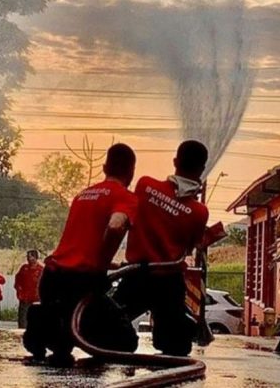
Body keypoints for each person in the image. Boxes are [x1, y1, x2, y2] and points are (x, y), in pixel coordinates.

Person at [23, 143, 138, 361]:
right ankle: (44, 321)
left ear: (104, 168)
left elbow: (78, 246)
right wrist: (102, 265)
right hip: (80, 283)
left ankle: (44, 322)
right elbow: (115, 226)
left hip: (52, 279)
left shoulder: (83, 195)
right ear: (131, 172)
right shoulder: (126, 197)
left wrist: (111, 265)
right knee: (126, 342)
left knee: (63, 344)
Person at [114, 140, 210, 356]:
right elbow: (190, 248)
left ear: (175, 161)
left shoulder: (145, 185)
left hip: (136, 275)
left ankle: (121, 337)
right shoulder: (199, 212)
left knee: (106, 322)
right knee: (176, 346)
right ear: (202, 170)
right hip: (168, 282)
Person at [15, 249, 43, 329]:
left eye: (30, 256)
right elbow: (17, 281)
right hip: (25, 300)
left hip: (36, 301)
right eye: (27, 256)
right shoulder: (24, 268)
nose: (28, 258)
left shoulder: (41, 270)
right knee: (23, 322)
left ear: (35, 257)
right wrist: (19, 293)